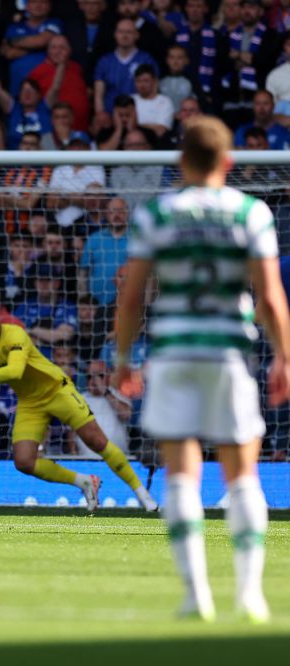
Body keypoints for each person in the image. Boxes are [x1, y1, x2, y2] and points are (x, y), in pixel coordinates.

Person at [113, 115, 290, 623]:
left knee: (181, 472)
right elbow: (270, 296)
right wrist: (284, 355)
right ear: (228, 162)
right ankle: (250, 595)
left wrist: (123, 358)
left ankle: (197, 596)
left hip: (173, 353)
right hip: (228, 353)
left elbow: (132, 297)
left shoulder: (157, 214)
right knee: (242, 472)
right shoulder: (250, 212)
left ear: (181, 161)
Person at [0, 297, 158, 513]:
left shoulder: (15, 334)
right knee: (24, 461)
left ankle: (142, 494)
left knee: (97, 441)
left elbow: (15, 371)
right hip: (30, 402)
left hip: (57, 390)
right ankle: (85, 482)